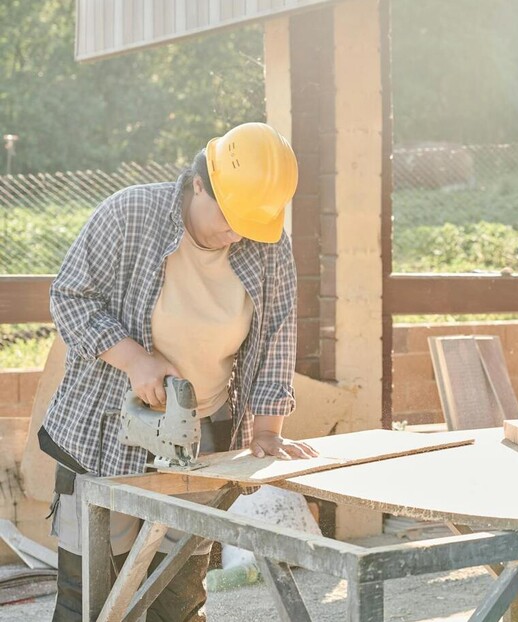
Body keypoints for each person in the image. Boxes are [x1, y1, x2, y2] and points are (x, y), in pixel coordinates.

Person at [41, 122, 319, 622]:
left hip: (197, 439)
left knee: (179, 599)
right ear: (198, 183)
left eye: (250, 224)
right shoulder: (130, 215)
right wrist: (134, 360)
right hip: (104, 434)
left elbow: (278, 334)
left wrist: (268, 430)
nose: (236, 233)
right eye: (230, 217)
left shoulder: (268, 245)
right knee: (91, 602)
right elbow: (69, 296)